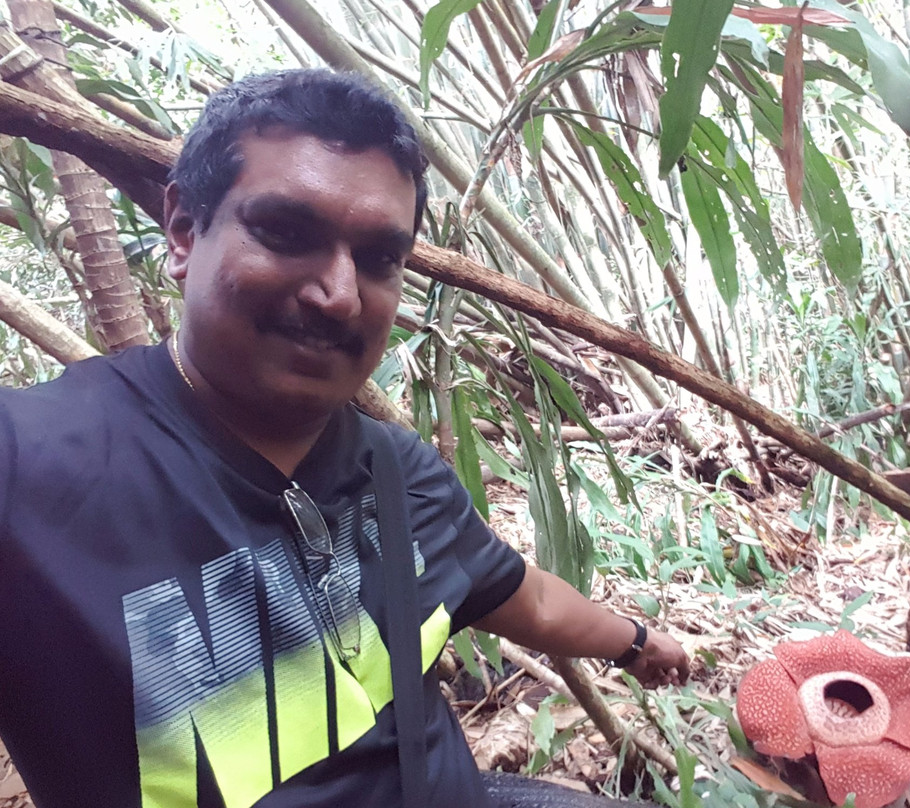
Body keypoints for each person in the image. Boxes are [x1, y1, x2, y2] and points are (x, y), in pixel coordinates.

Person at [0, 69, 689, 808]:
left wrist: (640, 643)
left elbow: (529, 601)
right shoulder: (31, 468)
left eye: (378, 258)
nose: (339, 294)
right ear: (183, 230)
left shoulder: (399, 473)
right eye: (286, 233)